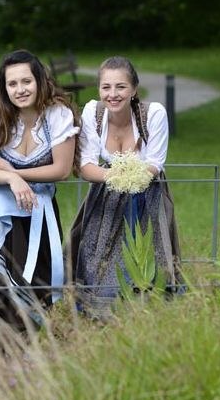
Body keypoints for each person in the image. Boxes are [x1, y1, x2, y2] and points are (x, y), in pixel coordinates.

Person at [0, 49, 79, 332]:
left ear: (39, 81)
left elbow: (61, 170)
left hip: (36, 208)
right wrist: (11, 181)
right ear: (4, 88)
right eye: (12, 84)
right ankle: (1, 351)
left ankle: (31, 352)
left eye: (26, 81)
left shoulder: (57, 115)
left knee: (38, 279)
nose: (20, 89)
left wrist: (13, 172)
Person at [67, 56, 182, 316]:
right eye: (106, 87)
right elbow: (85, 165)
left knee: (146, 256)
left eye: (120, 87)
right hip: (104, 194)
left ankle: (146, 314)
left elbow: (154, 164)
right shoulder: (93, 113)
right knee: (96, 255)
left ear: (134, 90)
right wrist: (116, 178)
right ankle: (97, 314)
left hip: (146, 193)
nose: (113, 94)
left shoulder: (153, 114)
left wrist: (131, 179)